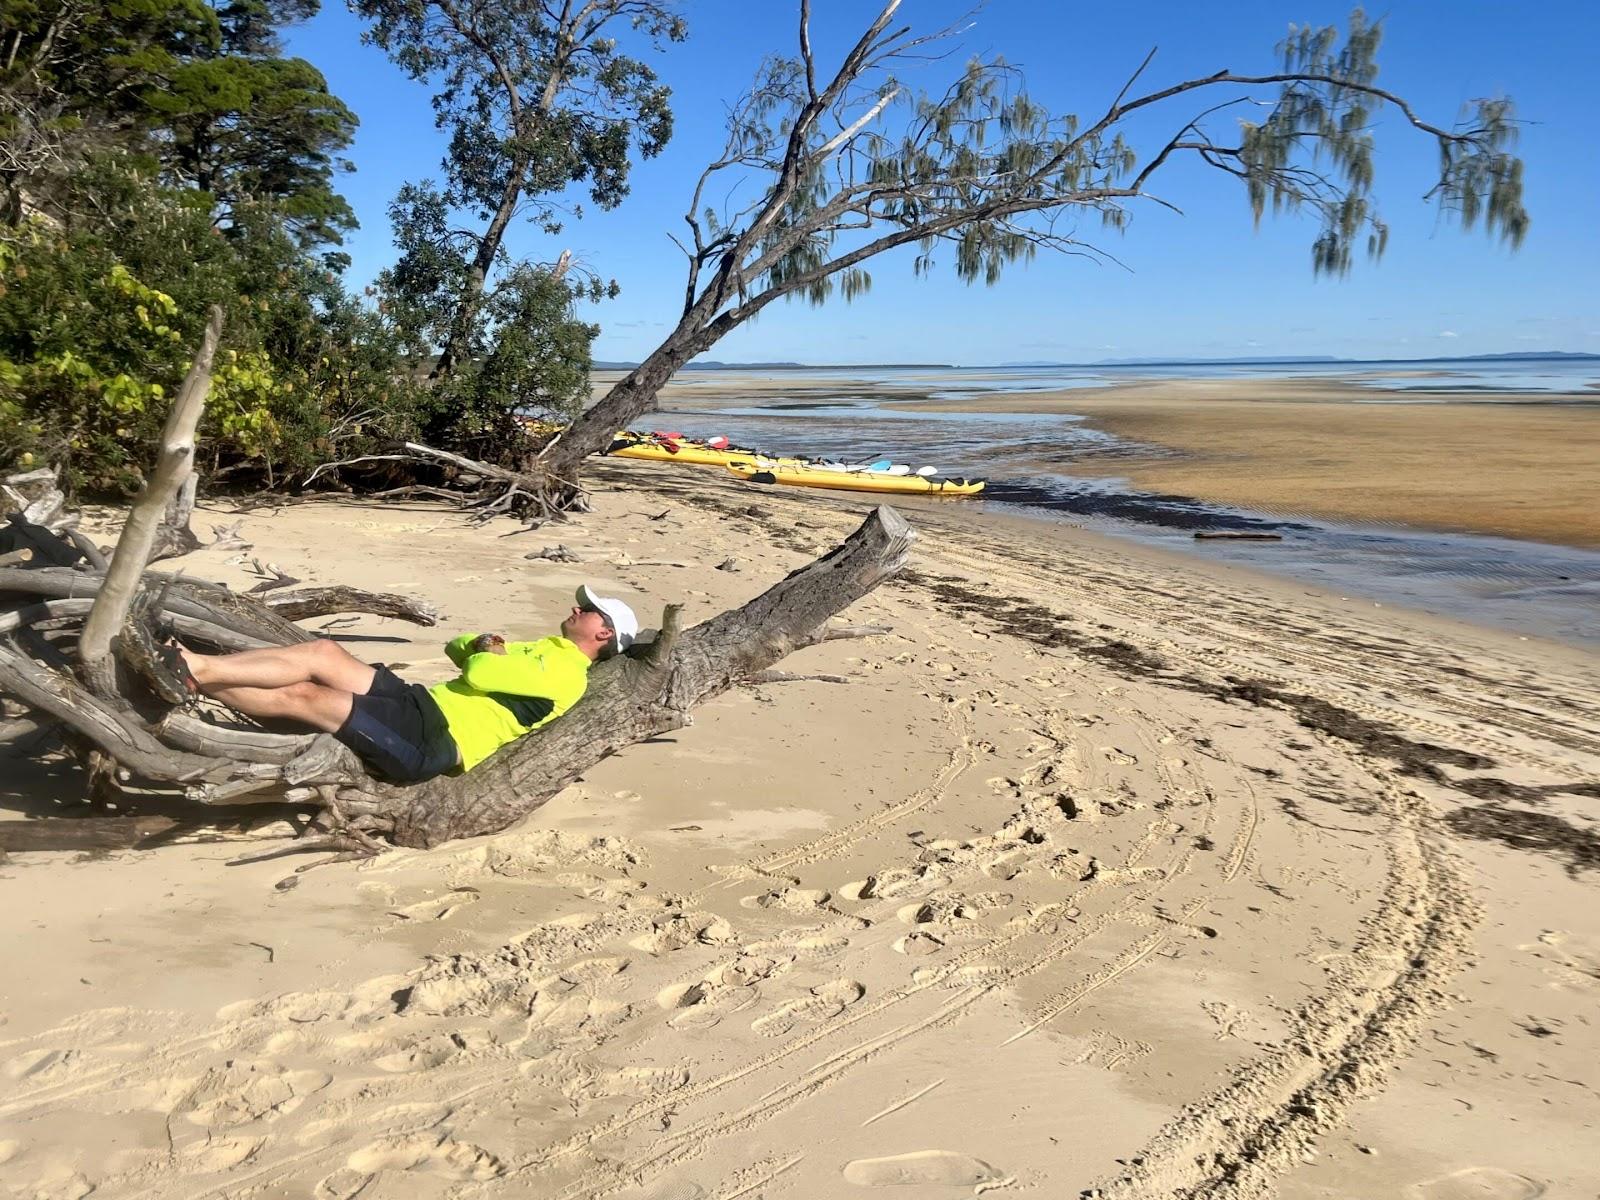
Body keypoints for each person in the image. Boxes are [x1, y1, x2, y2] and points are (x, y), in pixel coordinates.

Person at [163, 585, 639, 784]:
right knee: (324, 653)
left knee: (307, 697)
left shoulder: (565, 674)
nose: (577, 608)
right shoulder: (546, 650)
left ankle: (191, 674)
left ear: (602, 634)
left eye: (588, 610)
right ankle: (195, 667)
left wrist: (487, 650)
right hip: (421, 702)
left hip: (432, 740)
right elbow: (459, 647)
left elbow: (478, 670)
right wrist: (484, 645)